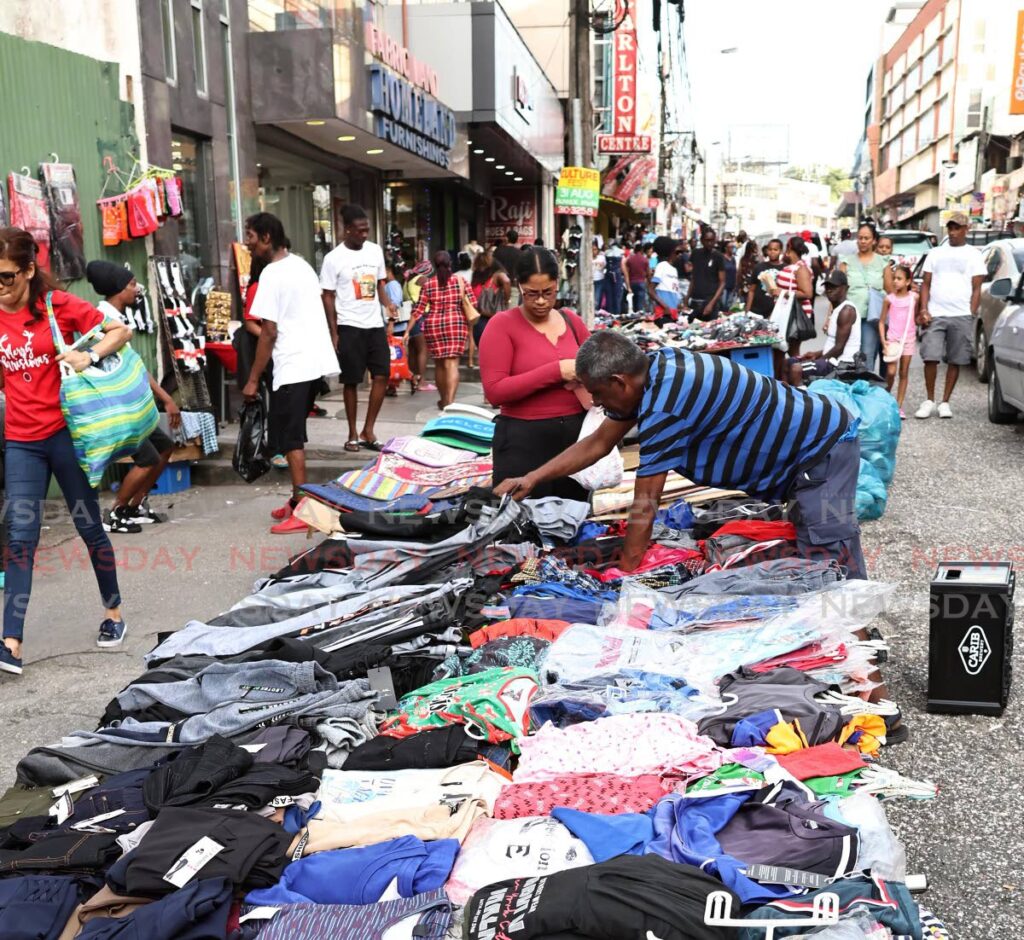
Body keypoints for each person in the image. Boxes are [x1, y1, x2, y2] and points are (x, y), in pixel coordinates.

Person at [493, 329, 866, 580]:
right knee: (817, 546)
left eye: (597, 393)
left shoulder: (666, 405)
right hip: (806, 451)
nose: (594, 402)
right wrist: (533, 478)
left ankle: (860, 654)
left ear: (618, 382)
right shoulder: (654, 369)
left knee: (828, 560)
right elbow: (597, 443)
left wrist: (625, 575)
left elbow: (646, 500)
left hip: (823, 450)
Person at [0, 227, 134, 670]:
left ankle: (113, 613)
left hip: (65, 436)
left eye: (6, 277)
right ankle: (11, 642)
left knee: (88, 525)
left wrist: (87, 357)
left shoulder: (55, 307)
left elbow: (120, 330)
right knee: (20, 537)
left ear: (28, 270)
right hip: (21, 440)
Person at [242, 213, 340, 534]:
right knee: (290, 433)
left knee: (291, 437)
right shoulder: (301, 265)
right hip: (311, 363)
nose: (248, 243)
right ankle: (297, 501)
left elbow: (268, 331)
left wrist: (253, 378)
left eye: (252, 236)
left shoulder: (272, 273)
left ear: (267, 237)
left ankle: (305, 508)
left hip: (294, 363)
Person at [479, 247, 591, 501]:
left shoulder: (572, 321)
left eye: (547, 293)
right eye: (532, 294)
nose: (540, 301)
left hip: (574, 444)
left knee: (571, 525)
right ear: (520, 287)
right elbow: (495, 391)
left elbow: (596, 369)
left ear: (557, 285)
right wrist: (557, 371)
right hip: (522, 443)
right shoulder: (502, 325)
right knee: (520, 528)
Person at [85, 261, 180, 534]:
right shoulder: (102, 320)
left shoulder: (120, 317)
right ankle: (115, 511)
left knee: (164, 447)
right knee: (147, 457)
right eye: (130, 285)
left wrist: (165, 398)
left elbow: (134, 364)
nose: (136, 289)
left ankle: (134, 506)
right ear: (117, 289)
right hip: (114, 405)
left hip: (131, 404)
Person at [320, 204, 397, 452]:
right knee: (351, 381)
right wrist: (334, 333)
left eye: (367, 230)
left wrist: (388, 305)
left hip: (374, 324)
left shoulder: (374, 252)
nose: (365, 235)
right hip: (349, 326)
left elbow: (380, 283)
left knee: (382, 375)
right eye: (360, 230)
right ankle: (352, 433)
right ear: (347, 230)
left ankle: (368, 430)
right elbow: (328, 296)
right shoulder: (333, 259)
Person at [915, 212, 985, 419]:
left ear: (966, 230)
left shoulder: (974, 254)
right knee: (930, 357)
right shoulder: (936, 253)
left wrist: (971, 312)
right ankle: (929, 399)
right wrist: (923, 309)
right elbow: (926, 284)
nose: (953, 232)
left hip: (961, 314)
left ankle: (945, 402)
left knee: (956, 359)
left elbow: (977, 287)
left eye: (957, 228)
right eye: (950, 228)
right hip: (935, 313)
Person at [407, 251, 468, 410]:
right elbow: (472, 303)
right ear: (450, 264)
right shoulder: (460, 281)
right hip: (456, 323)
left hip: (433, 325)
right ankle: (451, 401)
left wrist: (407, 331)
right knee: (452, 364)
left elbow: (418, 310)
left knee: (440, 364)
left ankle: (443, 400)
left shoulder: (428, 284)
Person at [788, 269, 860, 387]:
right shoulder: (836, 309)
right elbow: (834, 344)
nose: (829, 290)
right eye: (827, 286)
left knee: (796, 369)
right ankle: (785, 399)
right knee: (788, 362)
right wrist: (817, 353)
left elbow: (839, 348)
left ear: (845, 288)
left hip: (841, 364)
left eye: (834, 287)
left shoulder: (846, 311)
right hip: (831, 360)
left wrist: (817, 361)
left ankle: (802, 401)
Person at [841, 222, 893, 374]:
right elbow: (839, 291)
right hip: (850, 315)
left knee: (867, 355)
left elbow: (890, 292)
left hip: (872, 316)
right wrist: (830, 317)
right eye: (860, 238)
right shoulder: (846, 261)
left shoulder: (883, 262)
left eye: (866, 238)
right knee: (848, 354)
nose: (862, 241)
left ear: (874, 240)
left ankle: (866, 391)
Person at [879, 264, 918, 418]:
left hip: (908, 339)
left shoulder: (914, 298)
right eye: (894, 278)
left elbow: (918, 314)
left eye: (899, 279)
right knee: (891, 372)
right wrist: (883, 342)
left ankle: (898, 406)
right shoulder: (889, 299)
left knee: (904, 372)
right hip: (892, 339)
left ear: (908, 282)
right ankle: (886, 399)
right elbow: (881, 321)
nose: (895, 281)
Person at [769, 237, 816, 356]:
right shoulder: (791, 266)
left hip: (795, 316)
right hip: (786, 314)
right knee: (781, 350)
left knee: (792, 352)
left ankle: (795, 373)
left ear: (789, 249)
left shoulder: (801, 269)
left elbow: (807, 293)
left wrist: (782, 292)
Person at [470, 249, 512, 346]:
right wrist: (507, 299)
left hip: (480, 317)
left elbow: (506, 281)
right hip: (494, 318)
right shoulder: (496, 275)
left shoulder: (477, 278)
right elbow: (507, 281)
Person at [683, 228, 726, 321]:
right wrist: (687, 298)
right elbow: (694, 278)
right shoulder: (695, 254)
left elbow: (722, 282)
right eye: (707, 240)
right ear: (702, 240)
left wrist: (711, 303)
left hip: (710, 302)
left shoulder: (718, 257)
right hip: (695, 301)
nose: (710, 243)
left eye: (712, 240)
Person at [404, 261, 433, 394]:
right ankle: (421, 381)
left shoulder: (407, 282)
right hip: (421, 316)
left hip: (410, 318)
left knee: (413, 350)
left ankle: (414, 377)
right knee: (423, 350)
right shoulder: (422, 279)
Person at [384, 264, 408, 396]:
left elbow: (394, 304)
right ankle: (392, 385)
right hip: (393, 326)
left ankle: (393, 385)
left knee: (393, 357)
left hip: (395, 327)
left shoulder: (392, 285)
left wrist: (391, 324)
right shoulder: (391, 285)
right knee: (393, 356)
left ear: (388, 271)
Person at [745, 239, 784, 317]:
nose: (772, 252)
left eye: (775, 249)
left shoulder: (785, 269)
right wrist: (747, 311)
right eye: (770, 249)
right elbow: (752, 290)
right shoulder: (759, 267)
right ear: (766, 251)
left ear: (781, 251)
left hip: (776, 312)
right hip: (757, 311)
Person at [647, 237, 682, 319]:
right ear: (670, 252)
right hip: (663, 312)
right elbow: (651, 290)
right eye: (676, 252)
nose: (679, 255)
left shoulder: (674, 270)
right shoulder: (661, 266)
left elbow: (674, 290)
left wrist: (679, 305)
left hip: (673, 311)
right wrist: (665, 306)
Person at [624, 239, 650, 314]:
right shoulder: (645, 260)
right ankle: (639, 316)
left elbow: (626, 271)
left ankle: (635, 314)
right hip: (641, 282)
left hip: (632, 283)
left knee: (634, 301)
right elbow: (648, 273)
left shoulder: (630, 259)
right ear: (642, 250)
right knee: (640, 303)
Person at [493, 228, 523, 292]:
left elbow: (493, 267)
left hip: (499, 286)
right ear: (517, 240)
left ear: (506, 238)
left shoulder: (498, 251)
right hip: (514, 286)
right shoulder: (520, 253)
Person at [721, 240, 738, 310]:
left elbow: (735, 272)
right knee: (722, 305)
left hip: (731, 286)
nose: (732, 249)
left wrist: (735, 284)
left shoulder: (733, 259)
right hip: (723, 287)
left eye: (733, 247)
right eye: (731, 247)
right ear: (726, 248)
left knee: (729, 306)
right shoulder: (721, 258)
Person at [592, 241, 608, 311]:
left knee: (597, 298)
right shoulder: (587, 259)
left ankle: (596, 312)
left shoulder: (602, 258)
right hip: (591, 281)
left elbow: (604, 266)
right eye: (592, 250)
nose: (593, 251)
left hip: (599, 280)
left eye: (595, 249)